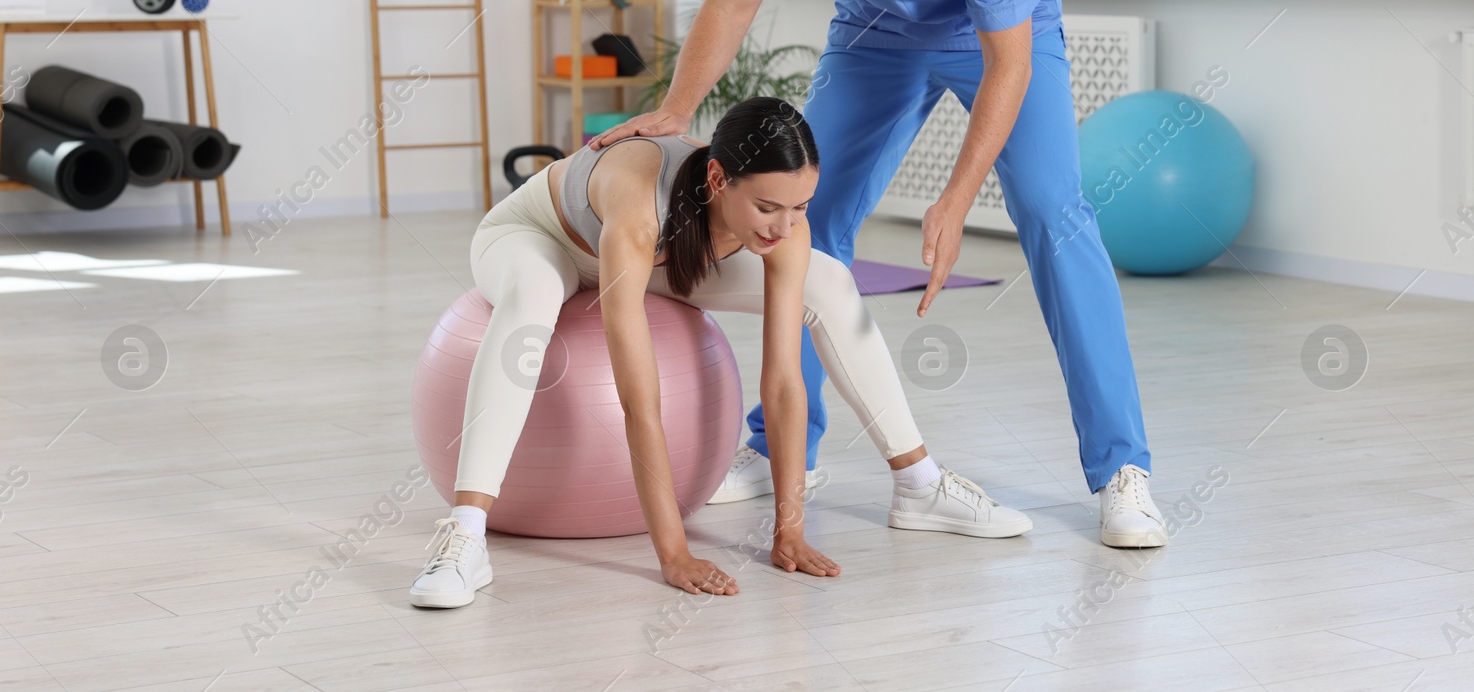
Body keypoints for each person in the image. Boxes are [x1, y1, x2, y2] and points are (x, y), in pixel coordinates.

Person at [590, 0, 1166, 549]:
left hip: (996, 31)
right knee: (800, 217)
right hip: (878, 30)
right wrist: (677, 106)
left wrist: (956, 199)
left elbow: (1010, 61)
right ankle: (781, 444)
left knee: (1053, 213)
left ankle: (1121, 474)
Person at [410, 97, 1031, 609]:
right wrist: (673, 552)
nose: (785, 227)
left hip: (662, 260)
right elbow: (639, 395)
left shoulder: (780, 224)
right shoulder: (638, 204)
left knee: (831, 281)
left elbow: (784, 383)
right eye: (767, 207)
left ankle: (918, 484)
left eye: (800, 207)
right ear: (716, 180)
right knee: (534, 299)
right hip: (542, 238)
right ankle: (465, 539)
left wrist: (789, 529)